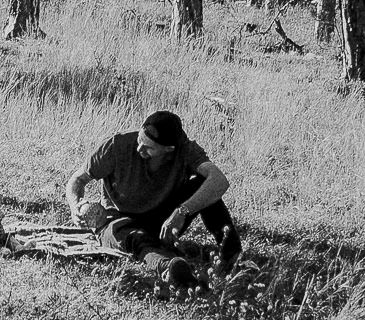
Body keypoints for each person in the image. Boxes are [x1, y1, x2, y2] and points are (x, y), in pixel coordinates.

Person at [65, 110, 244, 287]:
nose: (139, 148)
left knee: (206, 186)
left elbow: (219, 180)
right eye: (139, 140)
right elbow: (78, 179)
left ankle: (234, 258)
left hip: (164, 219)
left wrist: (182, 211)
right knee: (133, 238)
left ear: (169, 149)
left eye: (148, 147)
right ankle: (169, 268)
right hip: (120, 221)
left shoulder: (185, 150)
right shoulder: (117, 145)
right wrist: (75, 206)